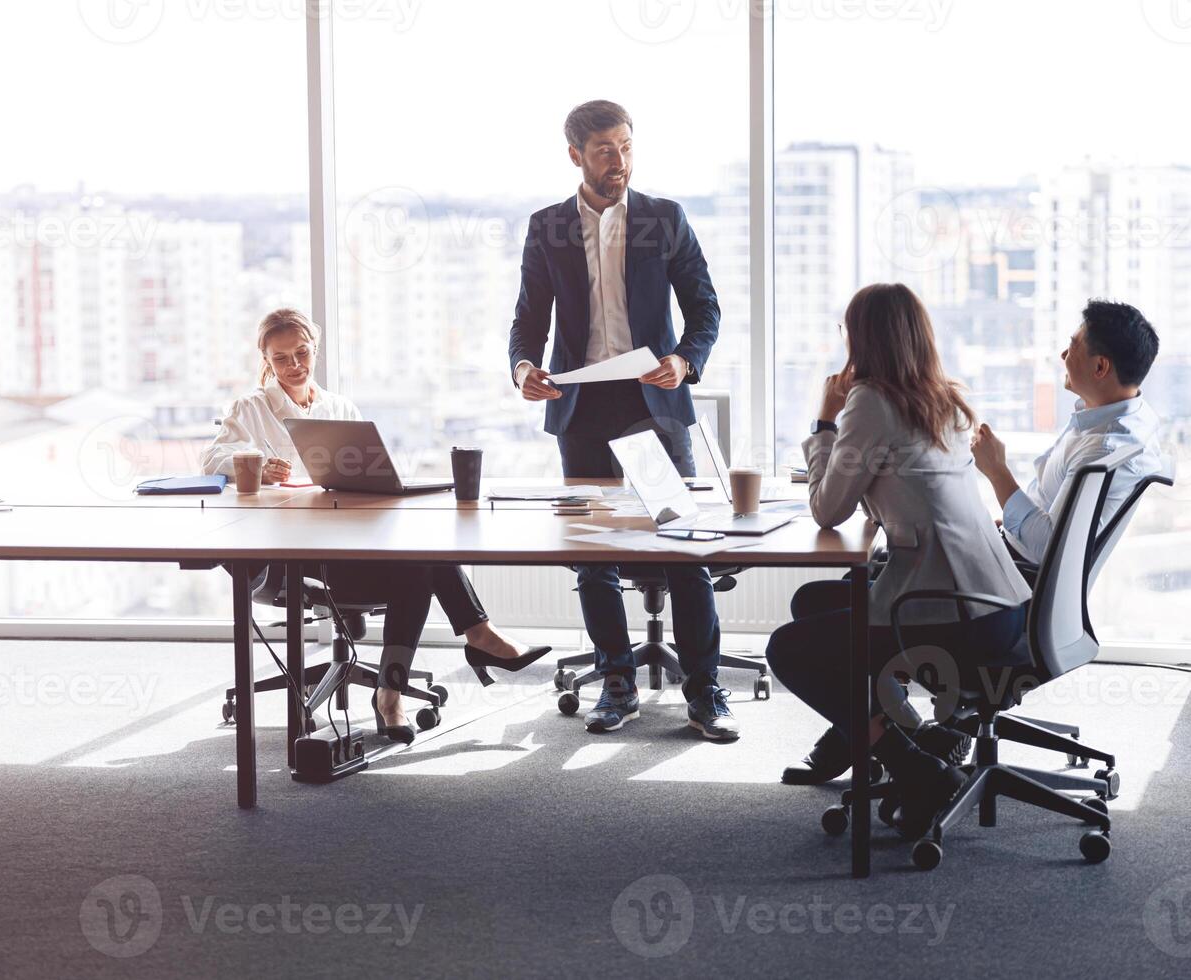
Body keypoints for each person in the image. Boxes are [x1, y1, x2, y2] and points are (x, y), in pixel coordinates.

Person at [203, 309, 550, 743]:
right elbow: (210, 461)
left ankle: (392, 690)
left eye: (302, 353)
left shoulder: (339, 407)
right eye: (281, 358)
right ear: (266, 361)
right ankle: (468, 641)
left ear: (315, 348)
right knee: (422, 567)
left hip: (347, 544)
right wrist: (252, 467)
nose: (294, 366)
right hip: (288, 557)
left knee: (422, 561)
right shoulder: (251, 408)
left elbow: (365, 474)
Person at [765, 283, 1033, 840]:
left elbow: (826, 510)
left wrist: (822, 423)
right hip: (1003, 605)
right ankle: (861, 733)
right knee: (813, 603)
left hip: (950, 617)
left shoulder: (869, 403)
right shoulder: (950, 399)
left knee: (789, 650)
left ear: (861, 339)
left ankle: (913, 765)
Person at [508, 100, 734, 739]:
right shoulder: (549, 226)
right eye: (605, 149)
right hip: (580, 407)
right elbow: (527, 319)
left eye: (627, 146)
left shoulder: (664, 219)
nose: (620, 160)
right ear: (576, 154)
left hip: (653, 407)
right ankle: (615, 681)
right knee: (593, 556)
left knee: (684, 550)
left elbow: (705, 307)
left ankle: (705, 690)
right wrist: (524, 368)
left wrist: (685, 360)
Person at [971, 299, 1167, 565]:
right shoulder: (1126, 416)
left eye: (1073, 347)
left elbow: (1048, 547)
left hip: (1015, 575)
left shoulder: (1104, 448)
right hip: (1013, 550)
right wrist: (1013, 521)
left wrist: (997, 471)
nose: (1063, 355)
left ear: (1100, 367)